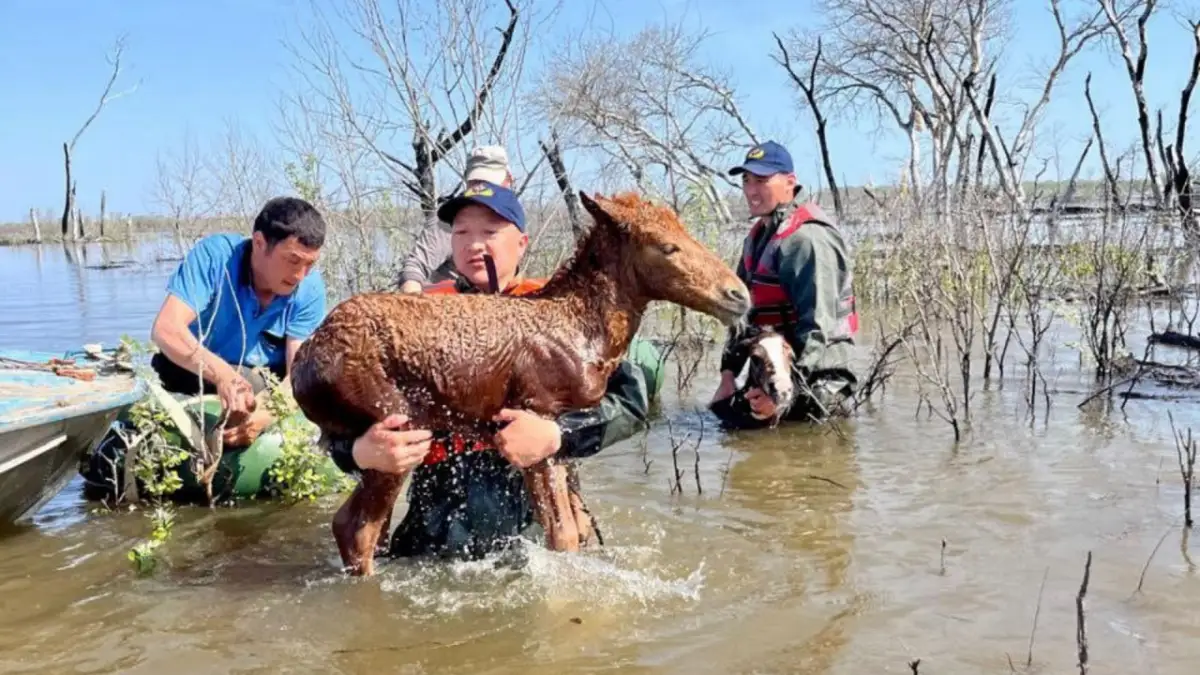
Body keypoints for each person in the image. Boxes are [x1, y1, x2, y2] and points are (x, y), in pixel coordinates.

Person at [325, 181, 655, 562]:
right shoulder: (416, 317)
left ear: (522, 243)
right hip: (436, 525)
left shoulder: (564, 313)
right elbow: (342, 420)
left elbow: (631, 405)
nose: (473, 244)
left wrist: (557, 434)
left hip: (533, 526)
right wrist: (359, 453)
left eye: (490, 231)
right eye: (461, 232)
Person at [148, 196, 328, 446]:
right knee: (240, 379)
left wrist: (264, 417)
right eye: (293, 260)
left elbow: (297, 374)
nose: (300, 275)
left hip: (263, 383)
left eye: (310, 264)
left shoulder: (310, 289)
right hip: (194, 367)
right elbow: (166, 329)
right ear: (259, 243)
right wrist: (223, 375)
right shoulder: (215, 257)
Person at [709, 140, 858, 428]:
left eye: (762, 180)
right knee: (723, 418)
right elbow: (742, 318)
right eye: (746, 180)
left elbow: (818, 330)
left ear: (790, 182)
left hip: (817, 376)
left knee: (799, 448)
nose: (751, 190)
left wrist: (781, 394)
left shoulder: (806, 240)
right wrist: (728, 376)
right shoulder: (756, 237)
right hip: (773, 371)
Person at [397, 145, 515, 294]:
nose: (481, 188)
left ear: (508, 180)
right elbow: (414, 268)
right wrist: (412, 305)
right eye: (476, 182)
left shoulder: (510, 221)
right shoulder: (448, 220)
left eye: (489, 182)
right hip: (449, 308)